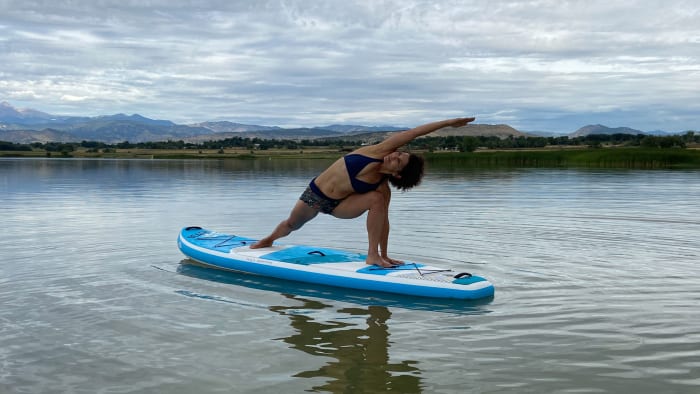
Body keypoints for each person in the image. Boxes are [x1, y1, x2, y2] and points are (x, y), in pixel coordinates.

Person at [251, 117, 476, 267]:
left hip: (340, 206)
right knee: (291, 225)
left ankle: (373, 256)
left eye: (399, 160)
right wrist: (450, 123)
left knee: (378, 200)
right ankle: (269, 240)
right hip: (315, 196)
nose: (395, 155)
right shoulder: (376, 152)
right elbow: (414, 133)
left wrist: (384, 253)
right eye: (399, 153)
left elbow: (383, 221)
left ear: (398, 174)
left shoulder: (381, 187)